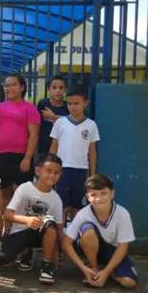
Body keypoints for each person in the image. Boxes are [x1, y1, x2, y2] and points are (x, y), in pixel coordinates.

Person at [61, 174, 138, 289]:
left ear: (112, 193)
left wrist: (106, 272)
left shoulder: (123, 214)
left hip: (111, 251)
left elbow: (123, 247)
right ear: (88, 197)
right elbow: (66, 243)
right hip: (88, 247)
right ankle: (93, 269)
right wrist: (83, 267)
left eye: (103, 193)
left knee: (129, 282)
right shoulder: (83, 214)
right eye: (94, 195)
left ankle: (104, 272)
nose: (99, 198)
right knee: (88, 230)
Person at [0, 153, 64, 284]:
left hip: (40, 234)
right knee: (4, 258)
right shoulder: (24, 188)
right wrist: (26, 220)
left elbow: (59, 227)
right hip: (20, 231)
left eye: (56, 172)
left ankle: (46, 265)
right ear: (38, 171)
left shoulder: (56, 199)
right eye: (48, 171)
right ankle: (26, 252)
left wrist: (55, 253)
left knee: (50, 223)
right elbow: (7, 215)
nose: (52, 175)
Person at [50, 84, 100, 225]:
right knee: (62, 206)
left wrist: (92, 174)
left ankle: (74, 238)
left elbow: (92, 151)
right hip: (62, 169)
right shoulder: (60, 123)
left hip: (81, 170)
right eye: (70, 103)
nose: (72, 107)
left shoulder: (91, 125)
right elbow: (54, 146)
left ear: (85, 103)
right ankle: (59, 239)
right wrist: (52, 169)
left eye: (76, 103)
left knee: (77, 207)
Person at [0, 73, 40, 210]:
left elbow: (34, 134)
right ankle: (6, 228)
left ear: (22, 87)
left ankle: (19, 226)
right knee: (4, 194)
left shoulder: (30, 108)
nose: (9, 88)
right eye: (6, 86)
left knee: (21, 194)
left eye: (13, 85)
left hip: (21, 156)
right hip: (0, 156)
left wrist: (27, 158)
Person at [36, 74, 69, 155]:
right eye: (54, 87)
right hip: (43, 146)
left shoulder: (68, 106)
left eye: (61, 88)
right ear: (48, 88)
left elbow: (70, 127)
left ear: (65, 89)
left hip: (62, 147)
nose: (58, 91)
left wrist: (53, 117)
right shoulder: (43, 104)